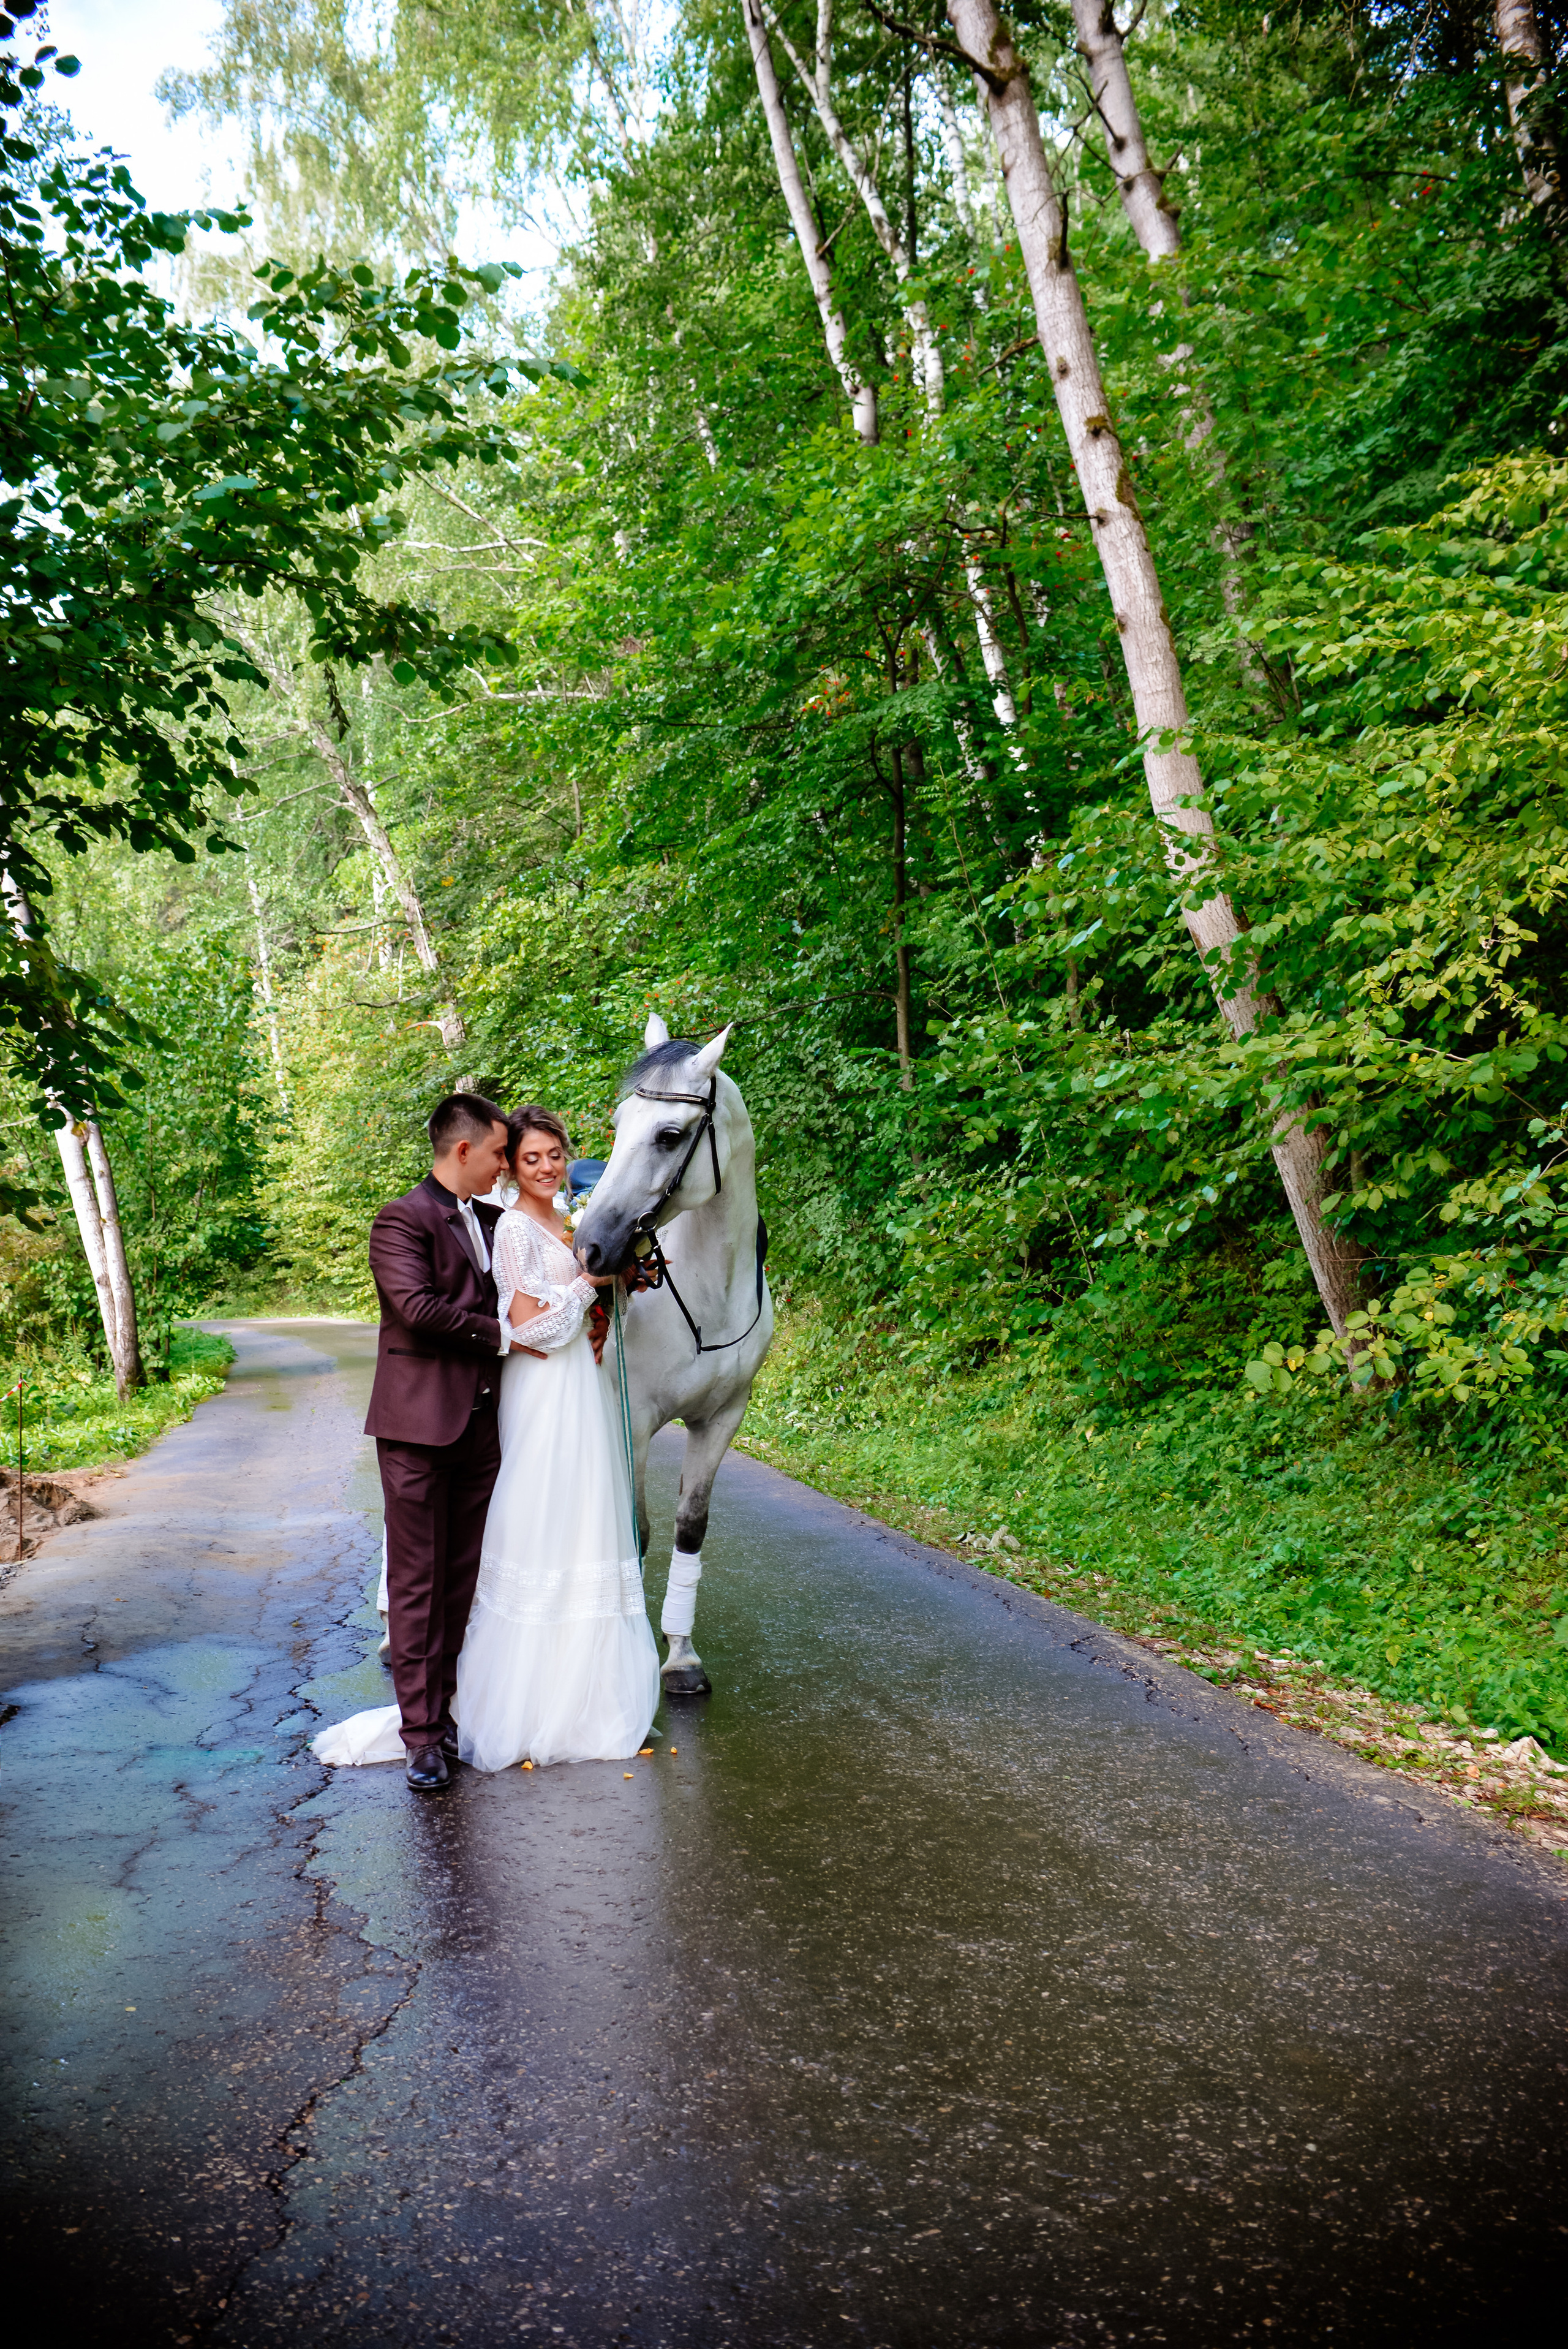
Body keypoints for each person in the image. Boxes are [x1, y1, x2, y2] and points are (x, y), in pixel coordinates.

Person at [312, 1100, 658, 1783]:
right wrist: (512, 1335)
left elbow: (562, 1272)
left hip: (487, 1423)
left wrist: (611, 1287)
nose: (511, 1166)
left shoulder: (502, 1220)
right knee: (418, 1584)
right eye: (503, 1154)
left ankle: (455, 1708)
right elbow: (415, 1309)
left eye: (523, 1155)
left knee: (464, 1582)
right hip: (418, 1425)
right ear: (464, 1150)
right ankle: (421, 1740)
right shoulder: (400, 1220)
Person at [455, 1105, 660, 1771]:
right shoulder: (513, 1229)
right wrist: (585, 1288)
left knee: (589, 1523)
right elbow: (527, 1329)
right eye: (532, 1158)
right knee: (547, 1522)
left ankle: (590, 1699)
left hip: (585, 1386)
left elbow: (580, 1312)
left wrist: (613, 1289)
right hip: (543, 1395)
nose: (547, 1167)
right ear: (509, 1167)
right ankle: (533, 1703)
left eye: (555, 1154)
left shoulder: (570, 1221)